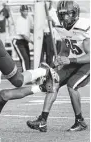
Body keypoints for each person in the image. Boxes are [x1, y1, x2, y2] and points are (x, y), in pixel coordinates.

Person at [27, 0, 90, 132]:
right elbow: (65, 49)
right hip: (72, 61)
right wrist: (59, 59)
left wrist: (70, 60)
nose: (64, 18)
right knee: (53, 83)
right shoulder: (61, 28)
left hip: (86, 63)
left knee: (72, 86)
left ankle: (80, 121)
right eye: (62, 15)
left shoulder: (83, 27)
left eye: (67, 14)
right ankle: (42, 120)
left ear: (74, 14)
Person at [12, 5, 33, 71]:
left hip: (24, 41)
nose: (26, 12)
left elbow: (30, 29)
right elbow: (22, 34)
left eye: (27, 11)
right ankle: (25, 75)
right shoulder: (19, 20)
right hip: (18, 41)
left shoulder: (28, 19)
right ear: (21, 11)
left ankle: (28, 75)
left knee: (28, 59)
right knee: (24, 58)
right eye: (24, 11)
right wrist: (31, 41)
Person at [40, 0, 59, 66]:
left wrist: (51, 20)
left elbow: (55, 24)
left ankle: (50, 70)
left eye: (48, 2)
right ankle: (39, 71)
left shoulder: (53, 11)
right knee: (40, 55)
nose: (47, 3)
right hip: (41, 35)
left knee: (49, 54)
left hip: (49, 35)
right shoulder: (40, 10)